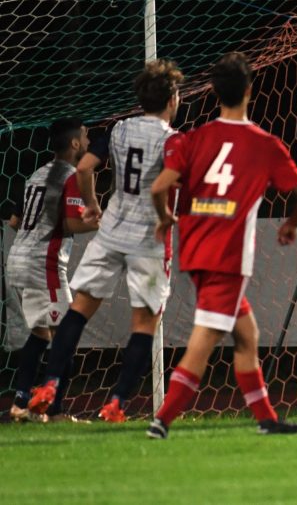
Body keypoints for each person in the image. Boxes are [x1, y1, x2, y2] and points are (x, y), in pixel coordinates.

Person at [144, 52, 297, 438]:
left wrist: (165, 217)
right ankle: (162, 419)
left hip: (195, 249)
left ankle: (267, 420)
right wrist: (290, 225)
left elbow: (159, 187)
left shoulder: (193, 138)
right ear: (250, 91)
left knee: (246, 335)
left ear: (214, 92)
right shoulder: (264, 144)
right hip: (228, 254)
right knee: (204, 337)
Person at [27, 60, 183, 424]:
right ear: (173, 99)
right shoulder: (174, 140)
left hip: (112, 231)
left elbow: (84, 168)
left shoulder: (118, 129)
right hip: (149, 240)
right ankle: (116, 403)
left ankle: (49, 384)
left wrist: (93, 204)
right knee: (144, 323)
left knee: (79, 310)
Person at [8, 118, 98, 422]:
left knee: (41, 334)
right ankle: (55, 411)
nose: (87, 141)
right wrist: (102, 222)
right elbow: (72, 223)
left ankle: (21, 404)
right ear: (75, 143)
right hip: (42, 265)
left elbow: (14, 221)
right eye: (85, 136)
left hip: (19, 259)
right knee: (66, 337)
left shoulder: (37, 174)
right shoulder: (70, 176)